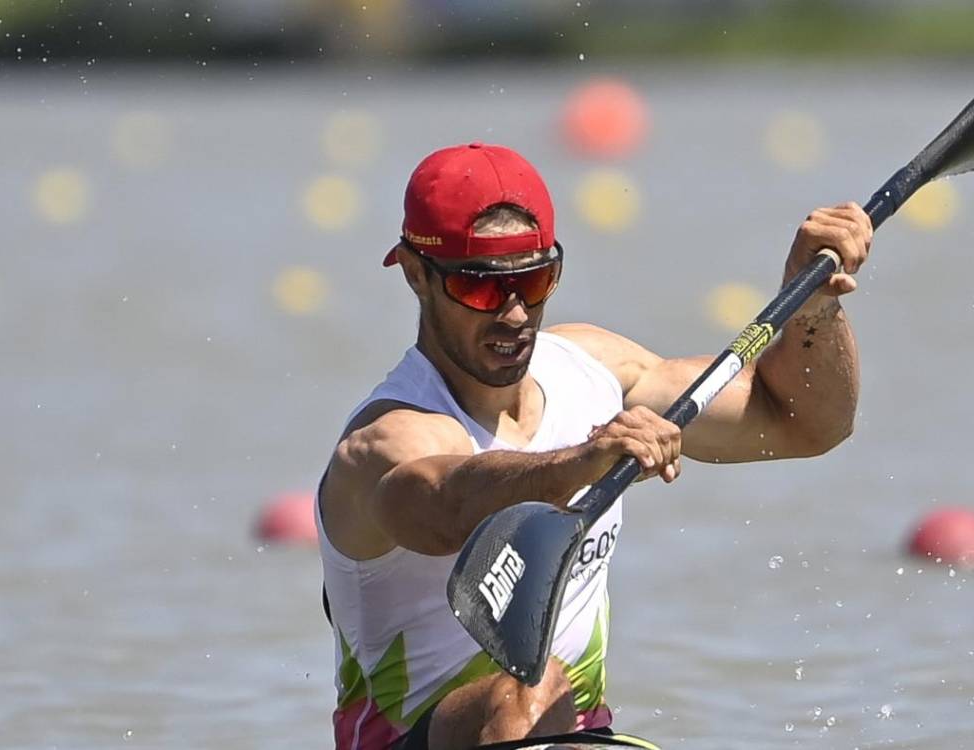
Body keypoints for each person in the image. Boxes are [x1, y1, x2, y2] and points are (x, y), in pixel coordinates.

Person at [317, 142, 870, 750]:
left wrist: (813, 308)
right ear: (416, 274)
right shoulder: (388, 437)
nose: (514, 313)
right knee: (528, 692)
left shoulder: (595, 371)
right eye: (479, 288)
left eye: (533, 280)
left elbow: (805, 424)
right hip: (419, 738)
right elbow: (445, 505)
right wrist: (582, 462)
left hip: (574, 736)